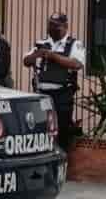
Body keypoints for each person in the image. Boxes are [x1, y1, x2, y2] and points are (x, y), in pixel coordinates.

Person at [22, 12, 87, 142]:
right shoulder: (42, 43)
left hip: (62, 95)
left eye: (56, 26)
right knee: (40, 130)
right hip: (42, 94)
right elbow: (26, 61)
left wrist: (53, 56)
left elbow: (77, 64)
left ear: (65, 26)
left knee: (61, 132)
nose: (52, 28)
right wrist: (38, 54)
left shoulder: (74, 44)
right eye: (50, 25)